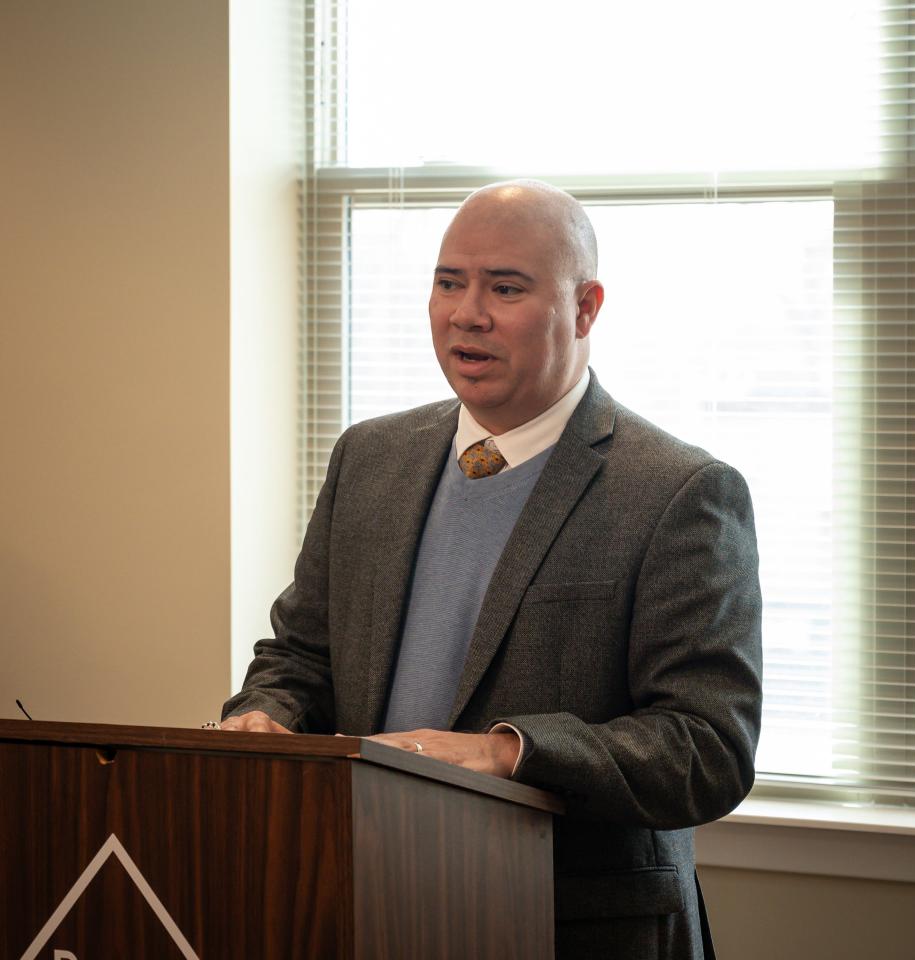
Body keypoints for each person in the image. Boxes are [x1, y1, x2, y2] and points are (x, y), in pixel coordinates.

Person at [220, 180, 763, 959]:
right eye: (449, 282)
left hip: (570, 926)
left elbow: (707, 747)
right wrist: (265, 717)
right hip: (367, 901)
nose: (466, 313)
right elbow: (300, 656)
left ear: (585, 309)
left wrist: (507, 751)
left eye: (505, 288)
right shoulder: (368, 459)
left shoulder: (679, 491)